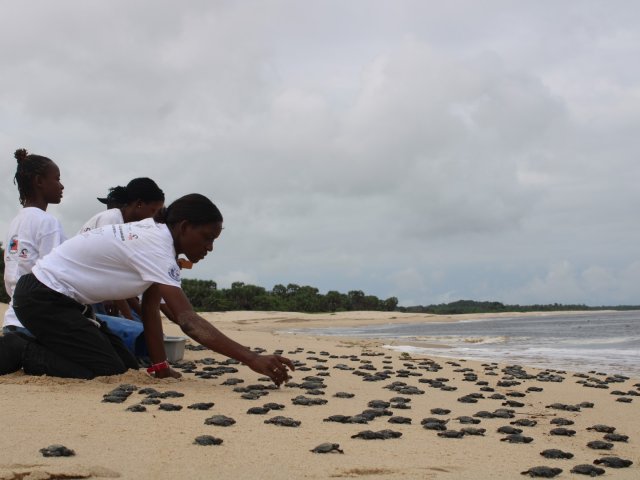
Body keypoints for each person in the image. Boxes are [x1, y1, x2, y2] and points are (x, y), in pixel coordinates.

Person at [0, 194, 295, 385]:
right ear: (183, 227)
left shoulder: (158, 243)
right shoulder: (156, 245)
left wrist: (160, 366)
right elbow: (188, 321)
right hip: (43, 298)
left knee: (126, 366)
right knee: (105, 371)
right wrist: (251, 358)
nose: (209, 248)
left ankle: (40, 344)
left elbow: (152, 309)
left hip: (64, 303)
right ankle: (18, 349)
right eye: (206, 238)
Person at [81, 177, 165, 320]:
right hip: (85, 291)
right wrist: (129, 317)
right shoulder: (112, 220)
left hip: (95, 290)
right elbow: (107, 273)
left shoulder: (128, 229)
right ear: (139, 204)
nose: (153, 218)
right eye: (153, 211)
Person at [2, 148, 65, 337]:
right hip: (37, 324)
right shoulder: (47, 222)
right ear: (38, 181)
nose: (61, 186)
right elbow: (54, 277)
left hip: (12, 321)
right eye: (57, 179)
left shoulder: (16, 221)